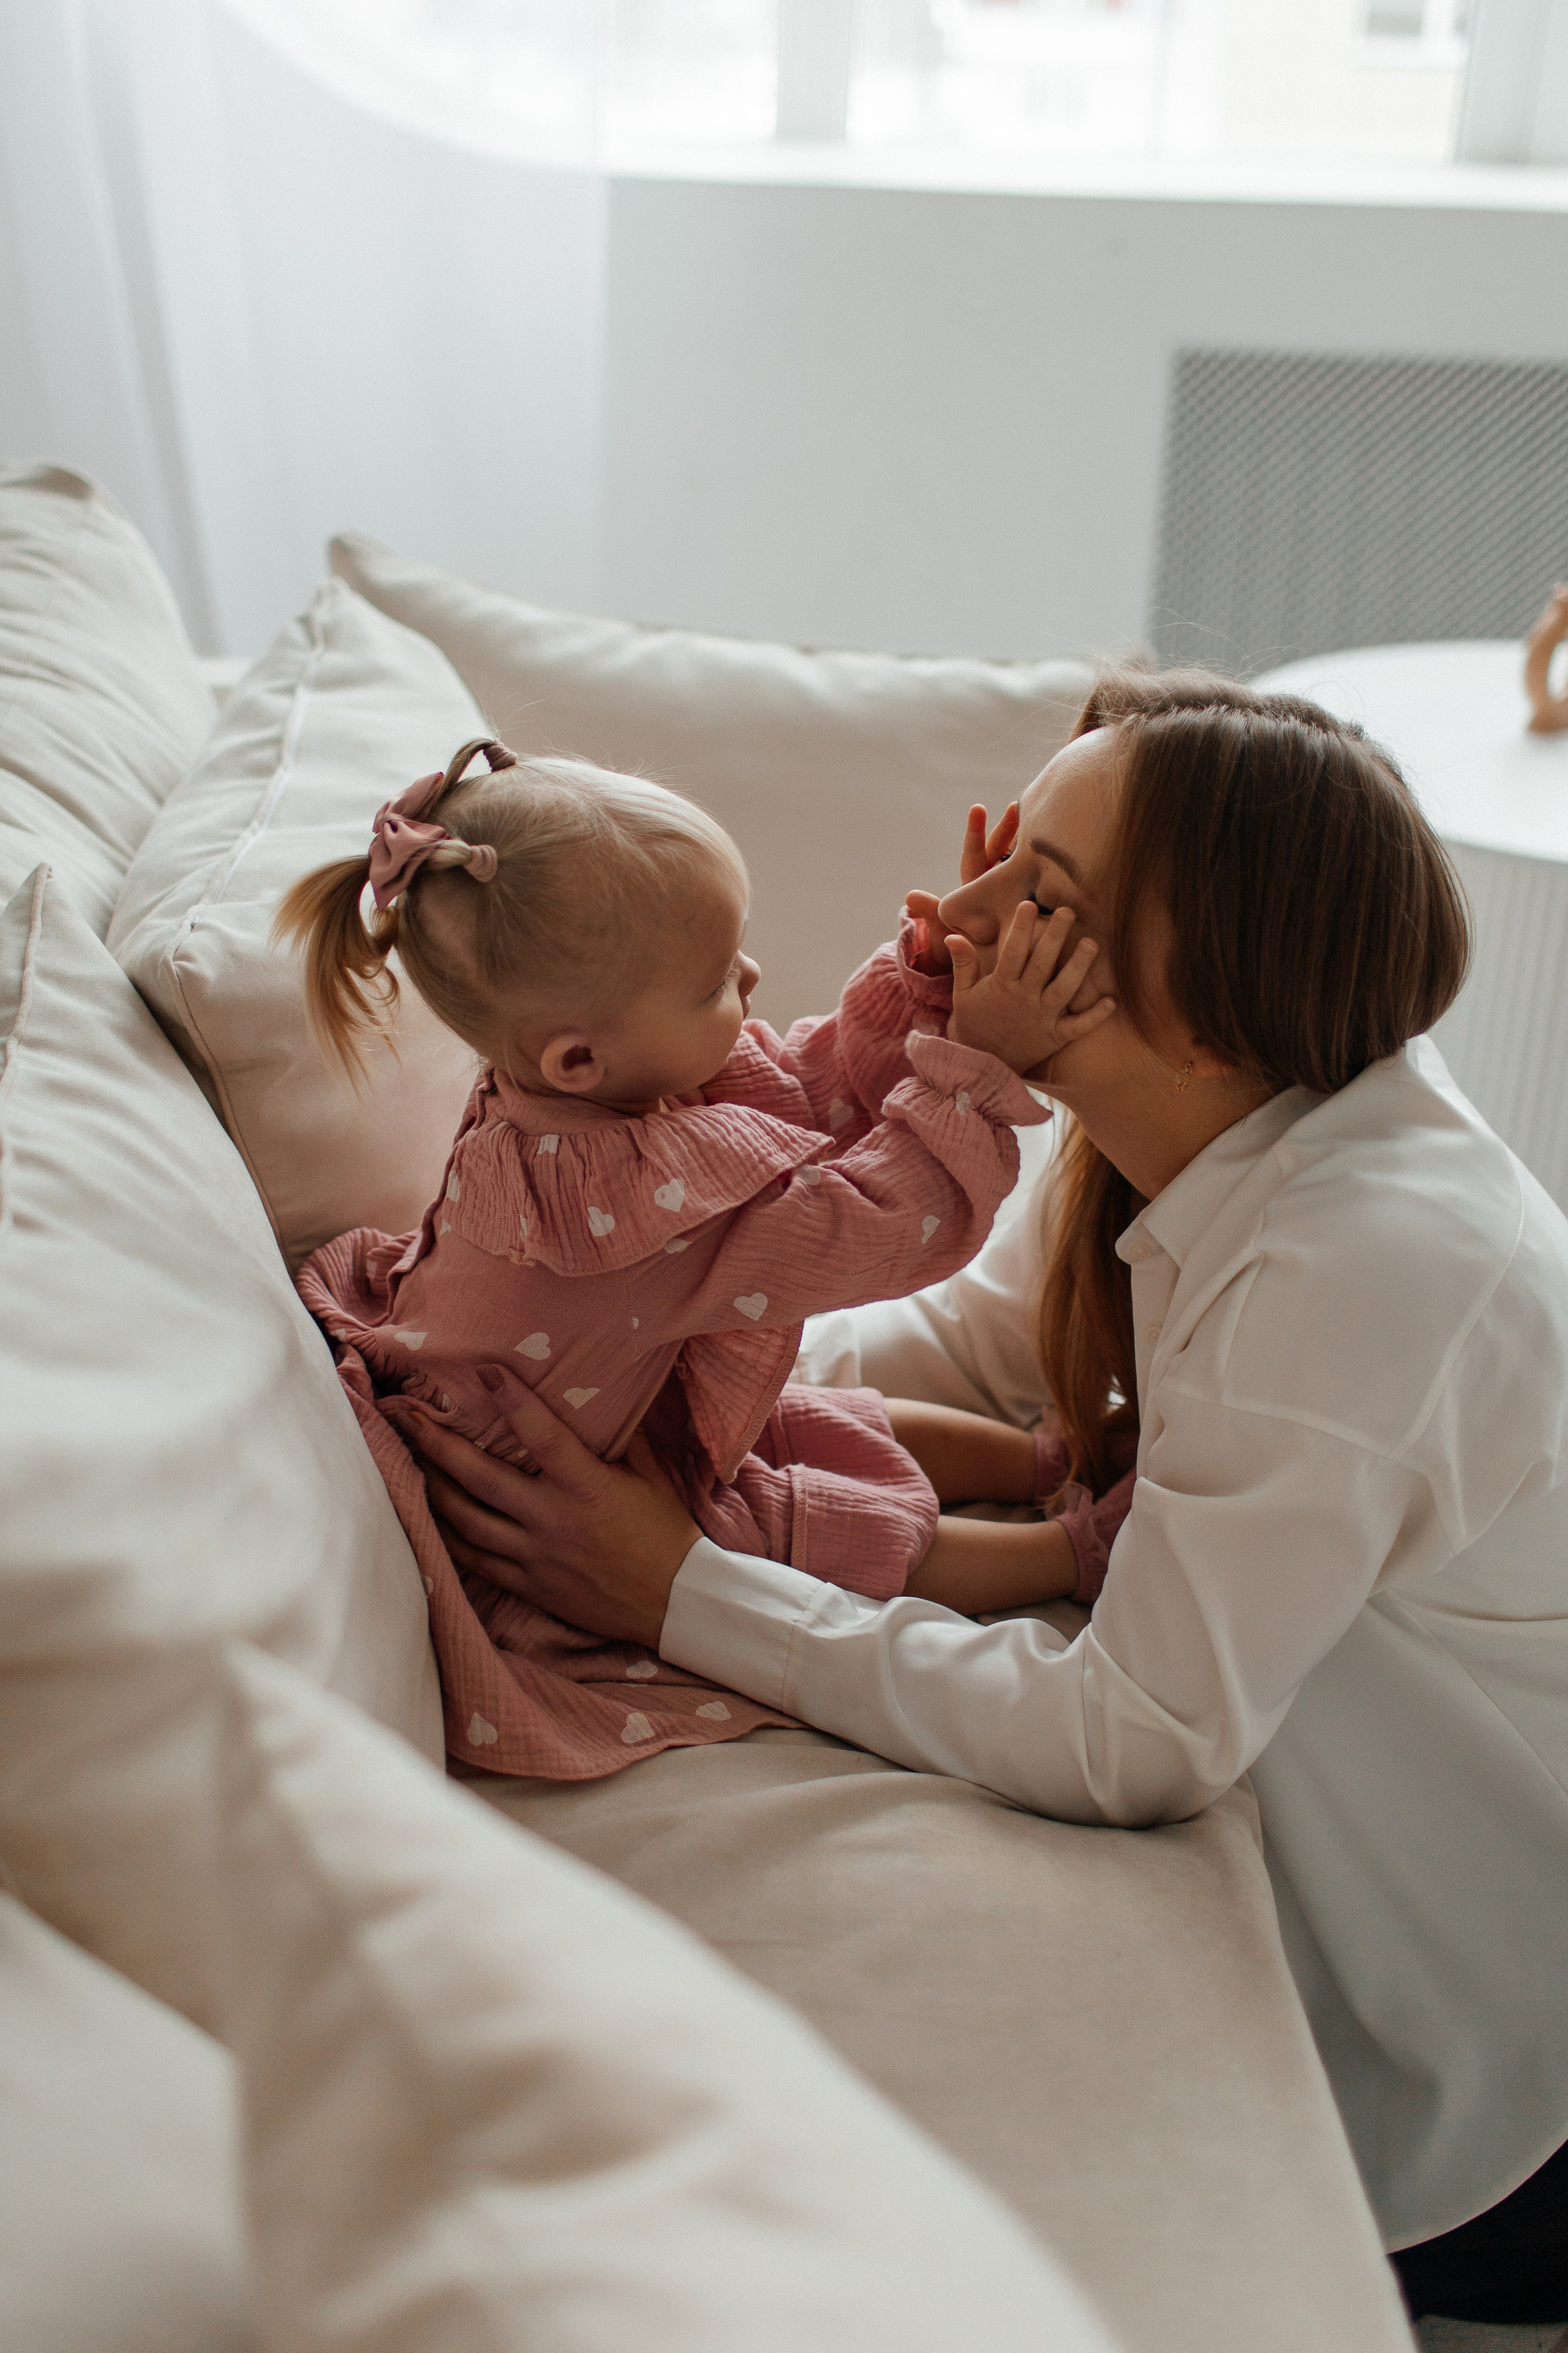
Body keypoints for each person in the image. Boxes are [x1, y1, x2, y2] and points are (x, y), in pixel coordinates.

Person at [399, 671, 1568, 2327]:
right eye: (1003, 852)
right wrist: (656, 1376)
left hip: (1506, 2093)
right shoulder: (1222, 1128)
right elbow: (971, 1332)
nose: (952, 912)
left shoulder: (1361, 1265)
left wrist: (681, 1588)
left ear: (1209, 1010)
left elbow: (1133, 1737)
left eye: (1042, 895)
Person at [279, 738, 1130, 1781]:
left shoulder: (577, 1101)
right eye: (717, 980)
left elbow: (797, 1085)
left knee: (820, 1418)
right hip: (552, 1509)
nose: (753, 977)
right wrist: (976, 1068)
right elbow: (878, 1225)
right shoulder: (622, 1214)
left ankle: (1054, 1458)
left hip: (598, 1409)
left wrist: (928, 985)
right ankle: (1072, 1554)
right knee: (805, 1522)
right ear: (579, 1053)